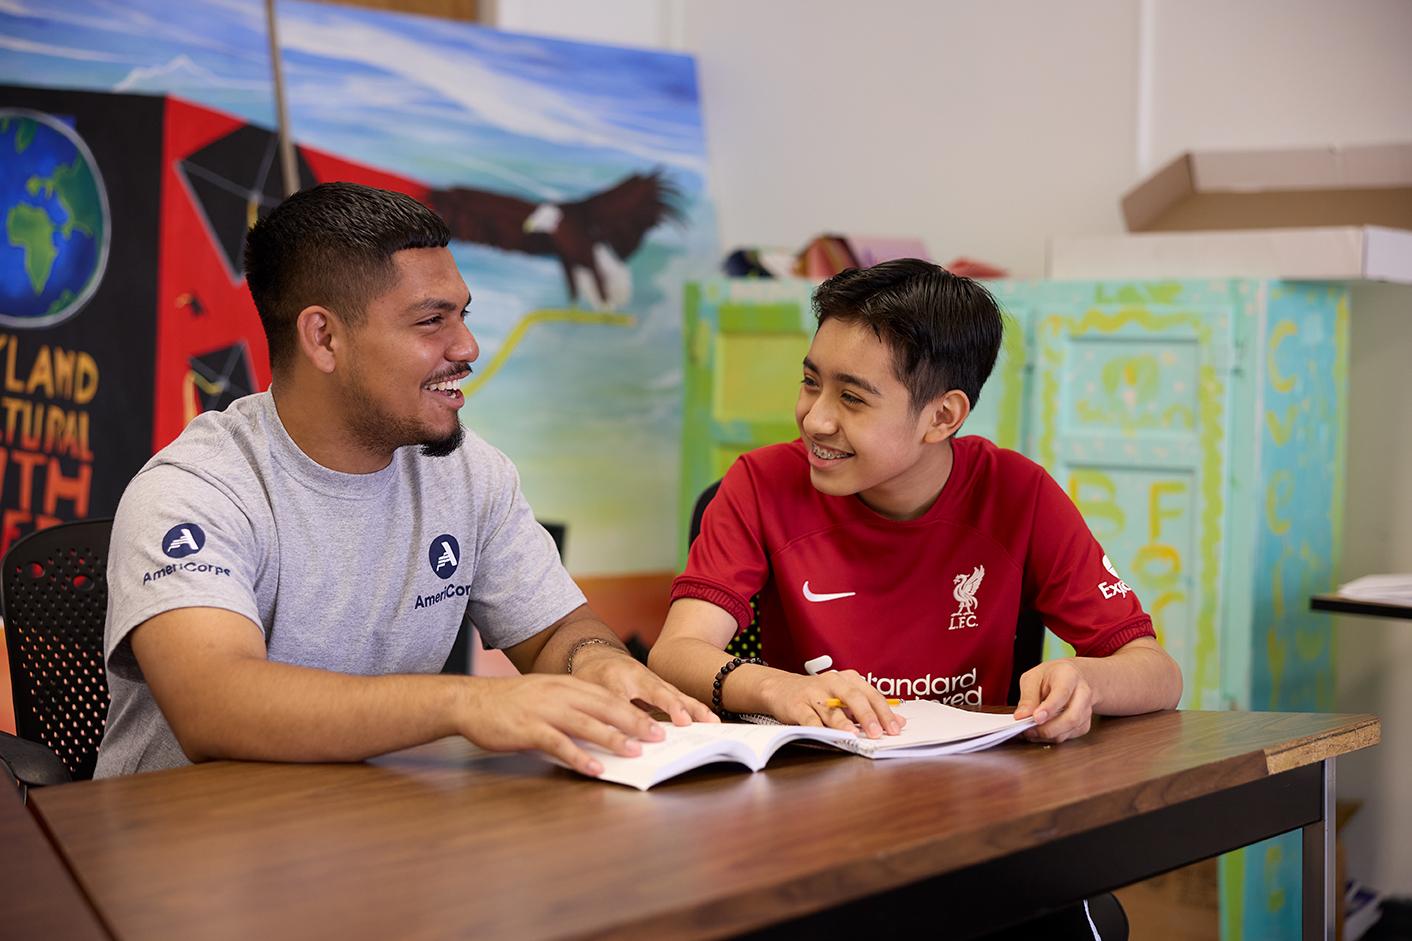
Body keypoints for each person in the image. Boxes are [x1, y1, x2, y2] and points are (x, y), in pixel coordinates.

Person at [94, 181, 712, 780]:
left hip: (375, 835)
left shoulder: (472, 474)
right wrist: (467, 705)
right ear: (324, 337)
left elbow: (557, 632)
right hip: (184, 857)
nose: (467, 345)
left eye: (463, 314)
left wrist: (596, 663)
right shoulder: (193, 490)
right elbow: (215, 705)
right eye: (430, 321)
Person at [648, 259, 1182, 744]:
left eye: (852, 397)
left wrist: (1088, 679)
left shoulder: (1019, 495)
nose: (815, 419)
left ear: (943, 417)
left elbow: (1158, 673)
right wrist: (776, 688)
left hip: (972, 795)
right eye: (811, 383)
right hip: (813, 792)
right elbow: (675, 653)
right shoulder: (759, 484)